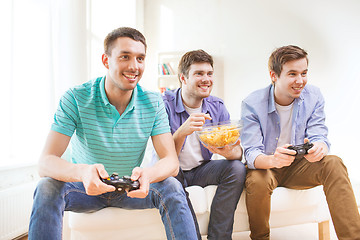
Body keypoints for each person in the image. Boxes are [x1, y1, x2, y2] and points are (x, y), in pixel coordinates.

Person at [28, 27, 198, 240]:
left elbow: (171, 162)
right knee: (46, 186)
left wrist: (148, 175)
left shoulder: (154, 102)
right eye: (125, 57)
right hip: (85, 190)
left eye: (140, 58)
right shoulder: (76, 98)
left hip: (130, 189)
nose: (134, 66)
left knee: (172, 185)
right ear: (106, 60)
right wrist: (83, 172)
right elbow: (46, 162)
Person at [240, 45, 360, 240]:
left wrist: (320, 147)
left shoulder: (314, 96)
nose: (300, 81)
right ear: (274, 75)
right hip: (268, 167)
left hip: (300, 167)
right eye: (292, 74)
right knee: (256, 180)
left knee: (334, 162)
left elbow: (319, 134)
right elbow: (252, 152)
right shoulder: (252, 103)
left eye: (304, 73)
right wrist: (273, 160)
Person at [162, 49, 246, 240]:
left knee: (237, 168)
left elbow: (236, 153)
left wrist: (229, 151)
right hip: (172, 171)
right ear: (183, 78)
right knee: (171, 180)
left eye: (209, 73)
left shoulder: (217, 106)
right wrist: (182, 131)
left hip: (201, 169)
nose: (206, 79)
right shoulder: (164, 104)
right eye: (199, 74)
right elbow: (164, 157)